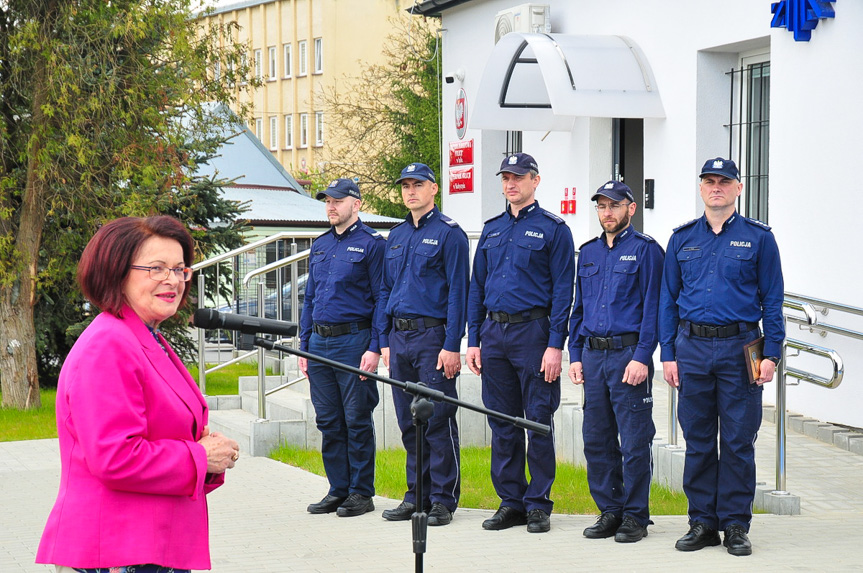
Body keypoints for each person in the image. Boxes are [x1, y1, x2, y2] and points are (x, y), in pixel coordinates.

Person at [36, 216, 240, 572]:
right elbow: (115, 457)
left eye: (179, 269)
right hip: (117, 551)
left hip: (149, 544)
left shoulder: (145, 337)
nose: (172, 280)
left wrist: (203, 453)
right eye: (156, 268)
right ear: (117, 272)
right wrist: (198, 456)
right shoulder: (109, 345)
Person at [659, 158, 785, 556]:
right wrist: (668, 354)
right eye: (709, 182)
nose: (716, 188)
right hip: (691, 349)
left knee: (737, 440)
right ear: (701, 189)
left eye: (724, 182)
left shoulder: (759, 239)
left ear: (738, 188)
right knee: (697, 440)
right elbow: (667, 300)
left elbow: (773, 299)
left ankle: (734, 524)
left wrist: (772, 354)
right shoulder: (681, 239)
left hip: (740, 348)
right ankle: (702, 522)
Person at [466, 152, 575, 533]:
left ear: (535, 180)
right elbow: (476, 286)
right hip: (494, 335)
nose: (511, 184)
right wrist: (474, 339)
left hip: (534, 335)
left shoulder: (553, 229)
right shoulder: (492, 229)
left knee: (537, 421)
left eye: (519, 177)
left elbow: (564, 291)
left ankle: (538, 504)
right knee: (501, 422)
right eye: (506, 178)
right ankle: (510, 501)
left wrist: (555, 345)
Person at [567, 181, 664, 543]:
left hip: (628, 358)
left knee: (635, 441)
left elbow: (655, 310)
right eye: (602, 207)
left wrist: (642, 356)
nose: (607, 212)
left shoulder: (647, 251)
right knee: (596, 438)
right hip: (592, 357)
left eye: (614, 206)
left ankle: (635, 516)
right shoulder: (588, 252)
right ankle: (610, 510)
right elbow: (578, 310)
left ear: (631, 209)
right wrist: (574, 355)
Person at [379, 162, 469, 526]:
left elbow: (458, 293)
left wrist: (451, 345)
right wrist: (384, 339)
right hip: (399, 338)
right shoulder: (396, 235)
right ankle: (416, 495)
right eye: (405, 186)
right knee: (408, 422)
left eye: (418, 185)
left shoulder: (450, 234)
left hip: (433, 338)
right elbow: (385, 288)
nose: (411, 191)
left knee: (437, 419)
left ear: (434, 189)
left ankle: (443, 500)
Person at [299, 178, 386, 518]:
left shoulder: (372, 245)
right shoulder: (320, 245)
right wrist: (304, 345)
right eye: (327, 201)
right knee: (329, 420)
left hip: (354, 341)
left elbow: (382, 298)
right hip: (319, 343)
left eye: (338, 200)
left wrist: (375, 346)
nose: (331, 206)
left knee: (356, 418)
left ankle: (361, 493)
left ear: (357, 204)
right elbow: (310, 299)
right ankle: (338, 489)